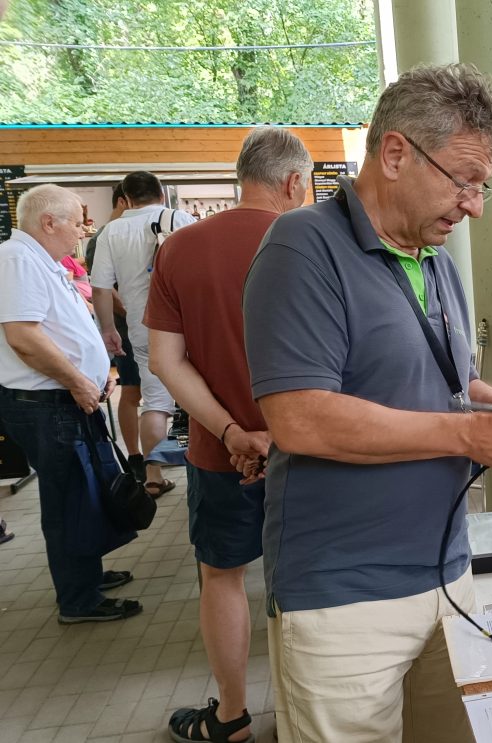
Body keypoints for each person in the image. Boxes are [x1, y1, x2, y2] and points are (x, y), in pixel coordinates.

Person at [242, 63, 492, 743]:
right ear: (394, 154)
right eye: (464, 181)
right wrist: (468, 436)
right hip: (343, 598)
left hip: (449, 573)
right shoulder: (302, 246)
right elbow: (299, 418)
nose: (475, 206)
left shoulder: (436, 260)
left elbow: (454, 384)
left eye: (482, 186)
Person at [146, 126, 312, 743]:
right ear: (292, 182)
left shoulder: (180, 248)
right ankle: (307, 715)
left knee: (222, 575)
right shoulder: (316, 241)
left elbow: (166, 360)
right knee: (310, 575)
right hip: (314, 451)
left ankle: (232, 715)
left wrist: (232, 431)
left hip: (221, 455)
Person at [0, 184, 141, 622]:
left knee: (84, 493)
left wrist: (90, 374)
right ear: (49, 222)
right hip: (47, 404)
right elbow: (23, 336)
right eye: (77, 223)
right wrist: (79, 381)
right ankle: (78, 598)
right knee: (67, 499)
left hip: (63, 399)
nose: (83, 231)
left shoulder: (40, 260)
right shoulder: (17, 259)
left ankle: (85, 575)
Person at [91, 172, 195, 497]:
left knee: (155, 402)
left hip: (143, 327)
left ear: (126, 199)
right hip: (188, 325)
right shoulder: (179, 219)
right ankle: (200, 467)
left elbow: (100, 288)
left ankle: (153, 476)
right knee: (195, 397)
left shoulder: (111, 231)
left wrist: (108, 329)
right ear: (161, 194)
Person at [86, 184, 146, 481]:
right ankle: (136, 458)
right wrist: (137, 316)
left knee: (151, 393)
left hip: (141, 325)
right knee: (132, 391)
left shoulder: (130, 232)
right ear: (123, 201)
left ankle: (155, 456)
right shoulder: (103, 237)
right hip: (127, 329)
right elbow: (104, 289)